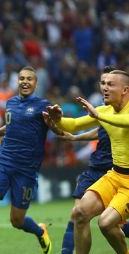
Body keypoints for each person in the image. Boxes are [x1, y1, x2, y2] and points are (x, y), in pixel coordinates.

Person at [0, 66, 62, 254]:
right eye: (22, 78)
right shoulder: (11, 103)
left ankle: (40, 230)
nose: (25, 82)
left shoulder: (42, 105)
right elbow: (10, 126)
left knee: (17, 221)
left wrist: (55, 120)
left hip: (26, 170)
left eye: (29, 79)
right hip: (4, 161)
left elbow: (56, 129)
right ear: (18, 81)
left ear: (35, 83)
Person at [44, 70, 129, 254]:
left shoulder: (112, 114)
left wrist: (97, 116)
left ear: (125, 90)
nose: (105, 88)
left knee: (105, 223)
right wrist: (57, 119)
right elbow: (74, 125)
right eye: (103, 83)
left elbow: (125, 121)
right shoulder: (105, 111)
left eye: (110, 84)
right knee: (80, 213)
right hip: (115, 175)